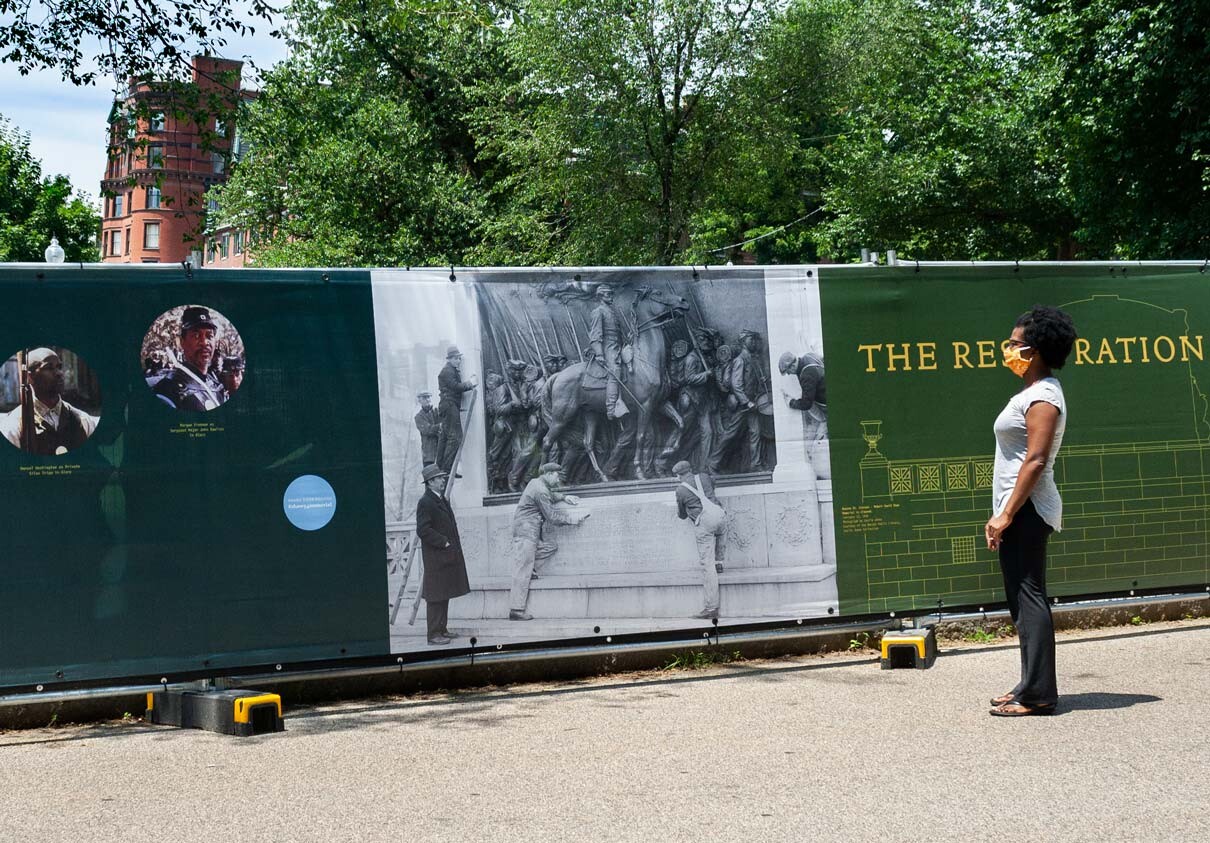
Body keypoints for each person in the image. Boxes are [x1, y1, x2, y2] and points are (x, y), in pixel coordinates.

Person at [984, 305, 1077, 717]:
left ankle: (1039, 694)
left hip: (1027, 510)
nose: (1008, 350)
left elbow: (1036, 460)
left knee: (1029, 597)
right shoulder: (1031, 391)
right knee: (1022, 601)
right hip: (1018, 508)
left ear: (1036, 350)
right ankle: (1028, 683)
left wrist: (1005, 514)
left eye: (1015, 344)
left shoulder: (1044, 397)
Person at [508, 462, 589, 620]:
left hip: (529, 531)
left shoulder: (535, 483)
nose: (558, 480)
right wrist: (572, 520)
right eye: (557, 476)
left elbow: (550, 494)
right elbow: (552, 517)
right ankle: (516, 610)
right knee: (522, 570)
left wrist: (565, 497)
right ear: (550, 474)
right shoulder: (540, 490)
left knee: (550, 547)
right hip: (526, 532)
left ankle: (530, 567)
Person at [1, 348, 99, 455]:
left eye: (59, 367)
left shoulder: (84, 421)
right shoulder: (14, 426)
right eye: (49, 368)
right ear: (30, 377)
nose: (59, 373)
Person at [415, 464, 471, 646]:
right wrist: (443, 541)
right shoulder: (425, 501)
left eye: (442, 477)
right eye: (439, 478)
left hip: (444, 556)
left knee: (443, 593)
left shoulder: (439, 499)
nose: (443, 479)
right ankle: (433, 635)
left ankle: (442, 629)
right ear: (430, 482)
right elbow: (423, 530)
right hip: (436, 557)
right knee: (435, 596)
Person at [673, 460, 727, 620]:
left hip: (704, 523)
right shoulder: (704, 477)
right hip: (720, 515)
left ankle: (711, 608)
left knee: (706, 565)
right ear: (690, 469)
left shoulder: (680, 489)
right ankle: (720, 562)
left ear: (678, 475)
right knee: (719, 531)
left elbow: (682, 515)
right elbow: (712, 487)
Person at [151, 306, 226, 411]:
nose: (204, 343)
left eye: (209, 336)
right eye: (196, 336)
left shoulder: (215, 385)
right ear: (182, 342)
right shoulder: (168, 389)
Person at [588, 284, 629, 420]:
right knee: (615, 371)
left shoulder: (612, 312)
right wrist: (599, 354)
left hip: (618, 345)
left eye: (611, 294)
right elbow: (595, 336)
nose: (611, 296)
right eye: (608, 294)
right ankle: (611, 409)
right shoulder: (598, 312)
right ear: (600, 296)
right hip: (608, 347)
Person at [436, 345, 477, 474]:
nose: (459, 361)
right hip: (449, 405)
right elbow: (455, 386)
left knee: (445, 436)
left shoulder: (450, 370)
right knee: (456, 437)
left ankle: (440, 467)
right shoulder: (447, 371)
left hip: (448, 406)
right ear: (451, 359)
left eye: (459, 359)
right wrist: (470, 383)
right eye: (457, 359)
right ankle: (446, 468)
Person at [413, 391, 439, 467]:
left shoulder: (437, 411)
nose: (428, 399)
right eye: (424, 398)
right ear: (419, 401)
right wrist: (439, 426)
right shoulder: (418, 417)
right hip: (429, 454)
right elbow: (428, 430)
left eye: (429, 397)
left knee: (444, 476)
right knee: (430, 476)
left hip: (440, 451)